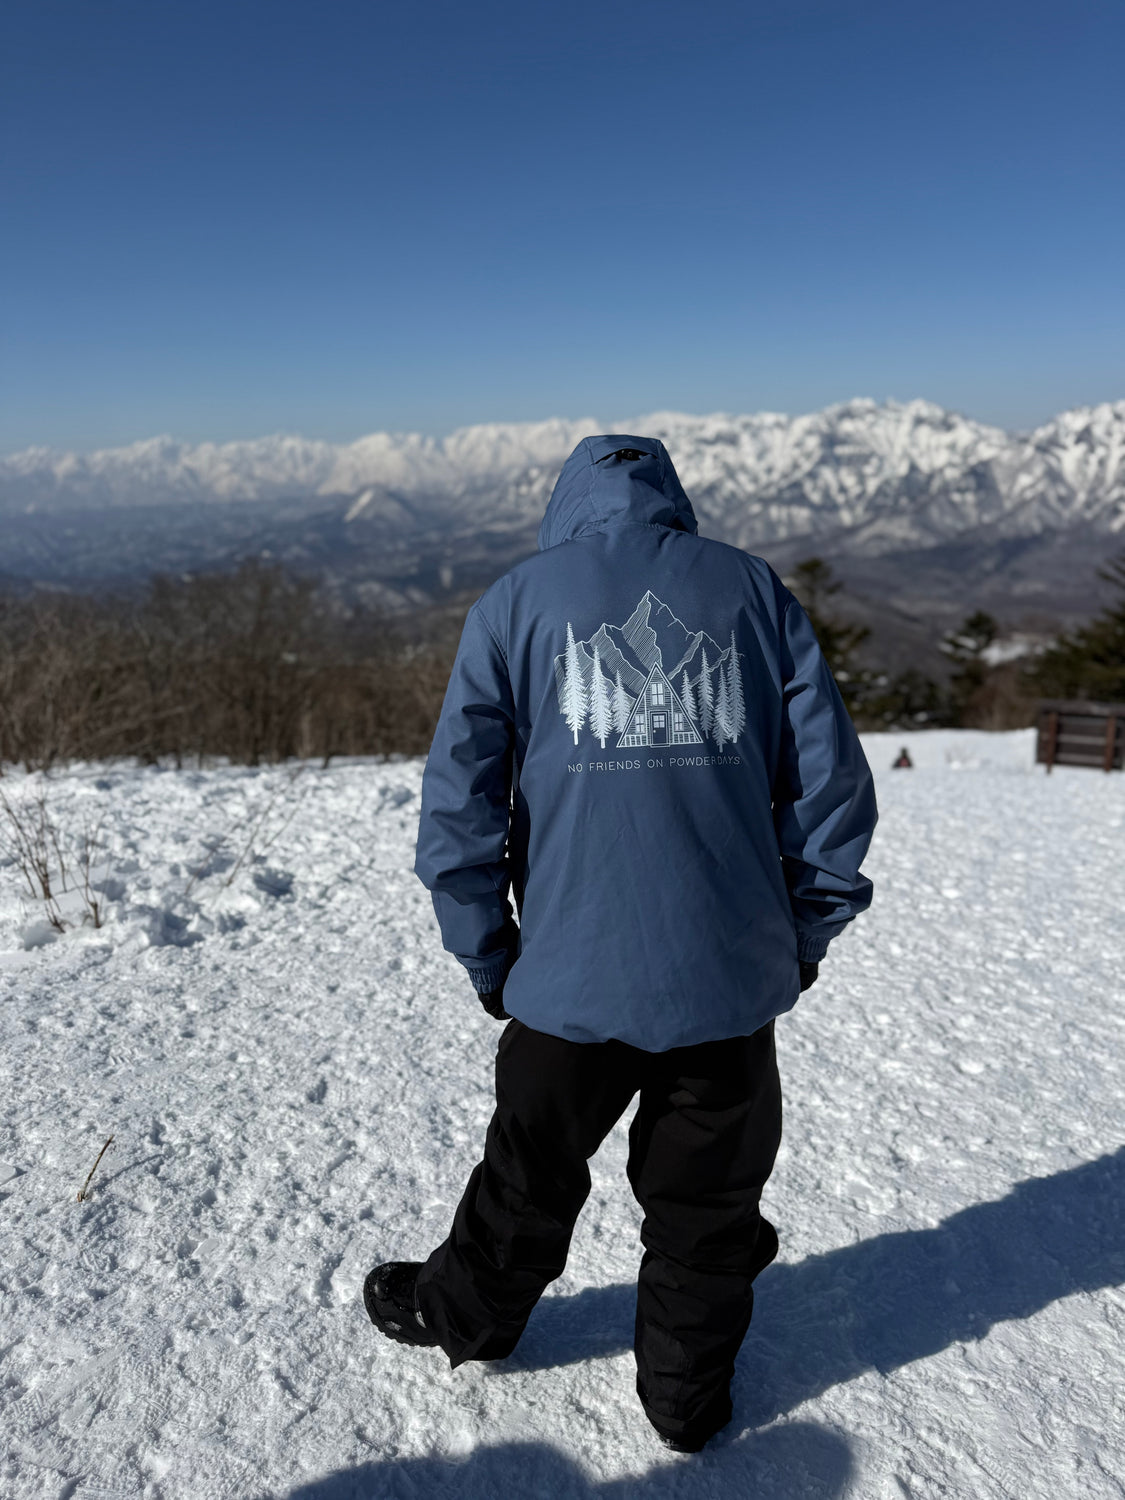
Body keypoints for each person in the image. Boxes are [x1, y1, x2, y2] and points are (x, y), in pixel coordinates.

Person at [364, 436, 878, 1453]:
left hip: (565, 978)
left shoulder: (517, 602)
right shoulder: (752, 591)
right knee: (710, 1202)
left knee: (528, 1170)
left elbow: (458, 813)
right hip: (728, 985)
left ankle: (466, 1317)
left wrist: (488, 953)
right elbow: (831, 794)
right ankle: (685, 1402)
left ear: (567, 507)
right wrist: (801, 937)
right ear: (670, 502)